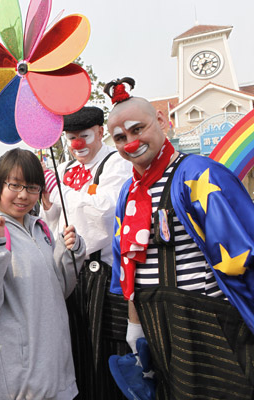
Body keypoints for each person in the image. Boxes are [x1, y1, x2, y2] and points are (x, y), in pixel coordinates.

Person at [107, 78, 254, 398]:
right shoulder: (126, 195)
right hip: (157, 331)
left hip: (209, 324)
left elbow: (243, 254)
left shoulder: (199, 173)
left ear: (161, 120)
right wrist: (135, 327)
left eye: (137, 129)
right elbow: (128, 266)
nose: (130, 142)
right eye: (120, 137)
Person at [0, 148, 86, 399]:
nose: (24, 196)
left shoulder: (41, 229)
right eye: (14, 185)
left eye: (32, 187)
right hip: (19, 382)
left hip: (58, 370)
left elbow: (59, 291)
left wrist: (71, 252)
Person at [39, 106, 133, 399]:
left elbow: (103, 215)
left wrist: (59, 193)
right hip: (70, 278)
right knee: (75, 354)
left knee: (105, 358)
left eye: (84, 136)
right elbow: (55, 222)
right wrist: (46, 201)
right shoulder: (64, 168)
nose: (77, 144)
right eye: (71, 137)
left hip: (104, 281)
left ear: (101, 132)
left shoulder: (117, 163)